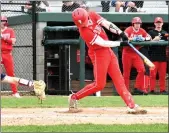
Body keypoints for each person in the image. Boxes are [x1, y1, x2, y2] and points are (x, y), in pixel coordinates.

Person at [70, 8, 147, 114]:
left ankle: (131, 105)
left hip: (108, 52)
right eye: (82, 24)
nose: (85, 24)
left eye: (85, 21)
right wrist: (120, 43)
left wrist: (121, 33)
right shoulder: (83, 32)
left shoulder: (91, 14)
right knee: (99, 85)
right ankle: (74, 97)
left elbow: (106, 24)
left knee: (119, 80)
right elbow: (102, 43)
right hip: (98, 54)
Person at [123, 17, 151, 95]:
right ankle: (125, 90)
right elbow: (123, 37)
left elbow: (149, 37)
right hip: (127, 52)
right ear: (133, 24)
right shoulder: (128, 29)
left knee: (142, 70)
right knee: (126, 73)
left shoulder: (142, 31)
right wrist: (133, 38)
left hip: (136, 53)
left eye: (139, 23)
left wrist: (143, 39)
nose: (138, 25)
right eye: (136, 23)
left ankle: (138, 88)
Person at [148, 17, 168, 95]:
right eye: (157, 22)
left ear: (162, 23)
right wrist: (154, 40)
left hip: (162, 57)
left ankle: (162, 90)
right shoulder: (151, 32)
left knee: (162, 75)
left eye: (160, 22)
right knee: (152, 75)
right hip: (153, 57)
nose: (158, 24)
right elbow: (146, 42)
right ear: (155, 23)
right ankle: (152, 90)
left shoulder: (165, 33)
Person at [1, 16, 20, 98]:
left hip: (7, 53)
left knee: (10, 73)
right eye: (1, 20)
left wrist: (3, 37)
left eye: (4, 20)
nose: (3, 22)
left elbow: (13, 41)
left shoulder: (10, 30)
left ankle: (15, 92)